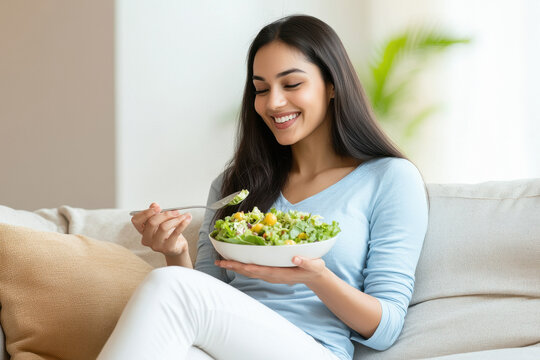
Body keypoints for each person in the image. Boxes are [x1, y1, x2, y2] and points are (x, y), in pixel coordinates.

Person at [98, 14, 429, 360]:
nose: (273, 103)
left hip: (312, 349)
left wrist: (315, 277)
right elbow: (204, 297)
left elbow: (386, 328)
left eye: (291, 85)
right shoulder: (235, 184)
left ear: (332, 85)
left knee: (168, 287)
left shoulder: (389, 178)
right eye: (261, 89)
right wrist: (174, 251)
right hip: (225, 348)